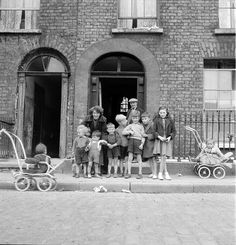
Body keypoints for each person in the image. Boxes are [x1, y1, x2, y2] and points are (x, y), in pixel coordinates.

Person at [82, 105, 107, 174]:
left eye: (97, 113)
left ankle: (101, 169)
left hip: (99, 137)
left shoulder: (103, 119)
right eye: (94, 113)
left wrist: (101, 140)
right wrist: (87, 136)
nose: (95, 115)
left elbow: (104, 131)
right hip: (89, 136)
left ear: (100, 114)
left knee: (100, 152)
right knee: (88, 152)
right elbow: (82, 127)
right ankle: (89, 169)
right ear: (92, 113)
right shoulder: (87, 118)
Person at [153, 106, 176, 180]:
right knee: (163, 156)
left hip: (166, 140)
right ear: (159, 113)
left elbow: (174, 131)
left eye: (164, 112)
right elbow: (154, 131)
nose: (162, 114)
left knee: (163, 156)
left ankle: (162, 173)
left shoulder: (171, 120)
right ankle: (164, 173)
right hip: (159, 139)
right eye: (160, 113)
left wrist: (169, 137)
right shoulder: (156, 120)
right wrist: (159, 137)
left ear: (166, 113)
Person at [122, 110, 145, 179]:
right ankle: (129, 173)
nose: (135, 119)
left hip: (138, 141)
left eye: (136, 118)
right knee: (130, 157)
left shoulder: (141, 126)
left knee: (139, 158)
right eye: (134, 118)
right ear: (132, 118)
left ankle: (140, 173)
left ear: (139, 118)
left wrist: (142, 144)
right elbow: (123, 132)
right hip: (131, 141)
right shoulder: (130, 125)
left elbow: (143, 136)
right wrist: (129, 131)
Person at [141, 112, 157, 179]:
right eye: (142, 119)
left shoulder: (152, 125)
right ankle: (152, 172)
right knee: (149, 159)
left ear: (149, 119)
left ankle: (155, 173)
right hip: (146, 144)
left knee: (153, 159)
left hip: (152, 144)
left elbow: (155, 134)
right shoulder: (142, 125)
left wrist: (147, 135)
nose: (144, 120)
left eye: (145, 118)